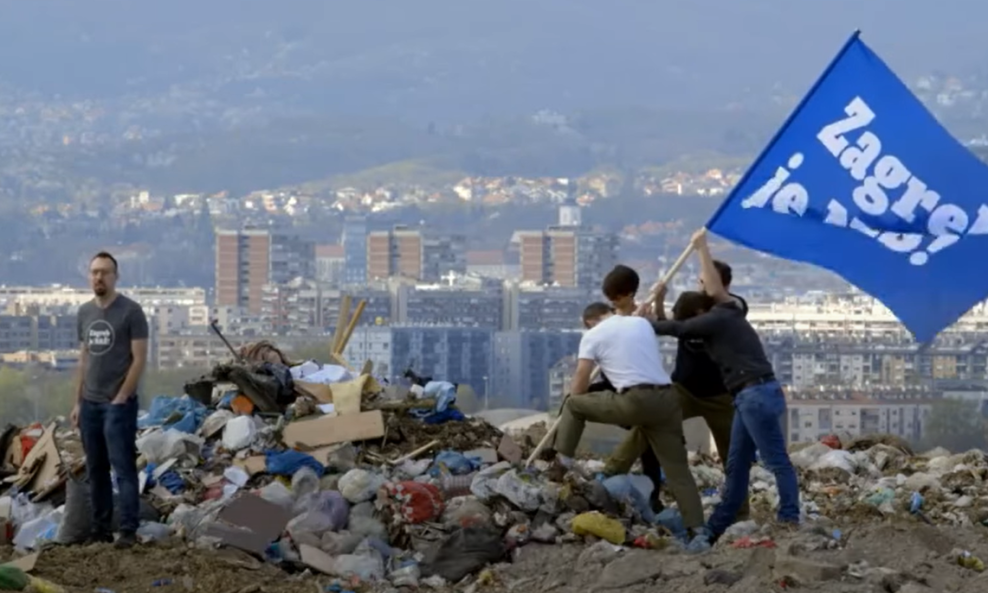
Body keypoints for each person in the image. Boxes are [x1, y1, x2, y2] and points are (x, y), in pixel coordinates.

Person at [645, 229, 800, 550]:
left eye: (704, 283)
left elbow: (679, 327)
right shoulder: (728, 313)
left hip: (756, 394)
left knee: (776, 461)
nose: (702, 288)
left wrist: (702, 248)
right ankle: (717, 525)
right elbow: (681, 324)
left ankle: (790, 517)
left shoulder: (721, 315)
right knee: (737, 464)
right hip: (748, 396)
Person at [607, 261, 752, 521]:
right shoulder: (690, 309)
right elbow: (669, 326)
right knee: (648, 426)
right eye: (700, 281)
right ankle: (609, 475)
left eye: (706, 280)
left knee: (734, 453)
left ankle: (740, 512)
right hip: (684, 390)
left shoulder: (731, 311)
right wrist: (658, 304)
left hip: (721, 396)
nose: (701, 285)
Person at [551, 301, 706, 536]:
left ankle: (562, 463)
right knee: (679, 472)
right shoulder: (641, 324)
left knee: (573, 405)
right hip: (667, 400)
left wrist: (577, 402)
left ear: (589, 322)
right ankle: (698, 531)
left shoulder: (593, 335)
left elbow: (579, 387)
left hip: (635, 400)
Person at [71, 252, 149, 549]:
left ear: (115, 276)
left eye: (104, 272)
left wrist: (121, 397)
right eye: (94, 272)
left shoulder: (131, 312)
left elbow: (139, 359)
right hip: (90, 404)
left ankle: (128, 529)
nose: (98, 277)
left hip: (118, 404)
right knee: (96, 469)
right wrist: (77, 401)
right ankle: (100, 528)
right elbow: (84, 357)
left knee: (123, 467)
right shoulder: (84, 313)